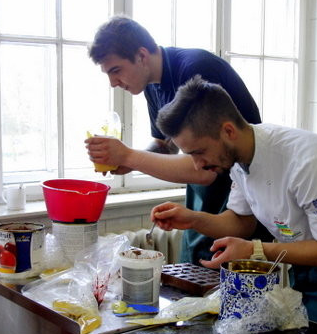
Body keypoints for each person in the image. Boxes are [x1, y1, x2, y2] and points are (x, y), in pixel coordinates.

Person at [150, 76, 317, 334]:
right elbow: (240, 221)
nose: (197, 165)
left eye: (199, 152)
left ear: (228, 131)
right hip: (309, 260)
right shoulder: (239, 158)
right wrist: (192, 219)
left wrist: (254, 250)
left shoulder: (308, 161)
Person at [85, 16, 265, 265]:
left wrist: (129, 156)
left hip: (238, 195)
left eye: (116, 71)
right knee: (193, 273)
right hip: (203, 198)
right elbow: (164, 146)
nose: (113, 83)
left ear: (142, 55)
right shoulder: (152, 85)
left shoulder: (195, 70)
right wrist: (128, 162)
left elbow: (205, 169)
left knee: (222, 277)